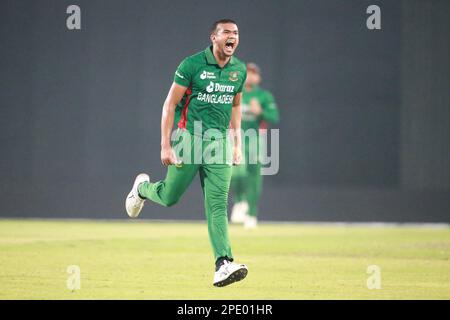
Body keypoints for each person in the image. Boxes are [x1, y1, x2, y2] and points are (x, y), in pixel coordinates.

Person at [125, 19, 248, 287]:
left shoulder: (238, 70)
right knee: (170, 197)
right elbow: (170, 105)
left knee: (217, 205)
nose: (233, 37)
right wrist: (165, 145)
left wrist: (237, 143)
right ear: (213, 38)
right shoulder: (191, 65)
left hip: (219, 143)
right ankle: (143, 189)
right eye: (226, 32)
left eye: (236, 33)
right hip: (189, 139)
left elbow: (236, 106)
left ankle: (223, 263)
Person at [230, 62, 280, 229]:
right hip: (236, 138)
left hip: (255, 140)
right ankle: (239, 201)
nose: (250, 76)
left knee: (254, 178)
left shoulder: (264, 96)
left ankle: (252, 213)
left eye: (253, 73)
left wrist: (261, 112)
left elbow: (274, 117)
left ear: (258, 77)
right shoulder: (235, 92)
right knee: (236, 172)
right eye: (247, 73)